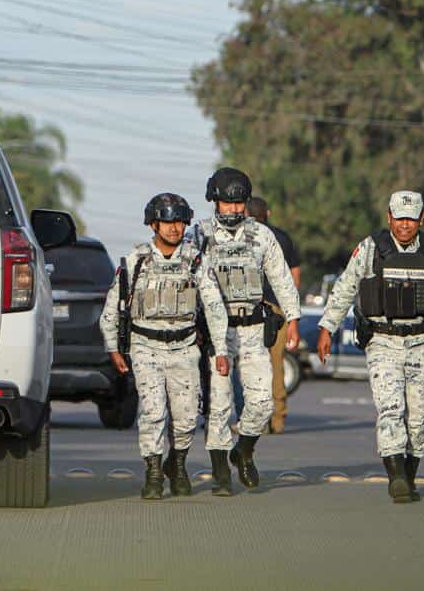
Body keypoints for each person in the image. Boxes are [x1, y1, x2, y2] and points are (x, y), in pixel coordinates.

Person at [316, 190, 424, 504]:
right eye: (399, 218)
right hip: (382, 342)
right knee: (390, 410)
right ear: (389, 217)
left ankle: (408, 474)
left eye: (411, 219)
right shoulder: (370, 249)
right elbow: (345, 287)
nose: (405, 225)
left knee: (417, 419)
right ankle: (396, 478)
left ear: (421, 219)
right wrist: (327, 326)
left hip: (421, 343)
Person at [99, 192, 229, 500]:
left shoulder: (196, 260)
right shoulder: (137, 261)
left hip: (185, 348)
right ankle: (154, 474)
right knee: (153, 412)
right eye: (167, 221)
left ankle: (179, 465)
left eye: (180, 222)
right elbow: (111, 306)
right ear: (154, 224)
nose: (174, 228)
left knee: (186, 417)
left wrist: (221, 349)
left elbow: (213, 306)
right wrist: (113, 348)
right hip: (146, 348)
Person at [195, 168, 301, 495]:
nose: (234, 209)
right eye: (227, 203)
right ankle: (219, 473)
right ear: (214, 202)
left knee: (261, 403)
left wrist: (294, 319)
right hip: (217, 332)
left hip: (254, 328)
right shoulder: (199, 236)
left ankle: (244, 450)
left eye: (239, 203)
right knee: (220, 405)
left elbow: (282, 277)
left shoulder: (261, 235)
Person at [245, 196, 301, 435]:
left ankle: (254, 416)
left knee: (250, 363)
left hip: (251, 308)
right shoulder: (283, 238)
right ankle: (278, 418)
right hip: (278, 310)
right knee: (275, 363)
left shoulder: (244, 237)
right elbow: (294, 275)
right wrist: (292, 313)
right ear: (268, 213)